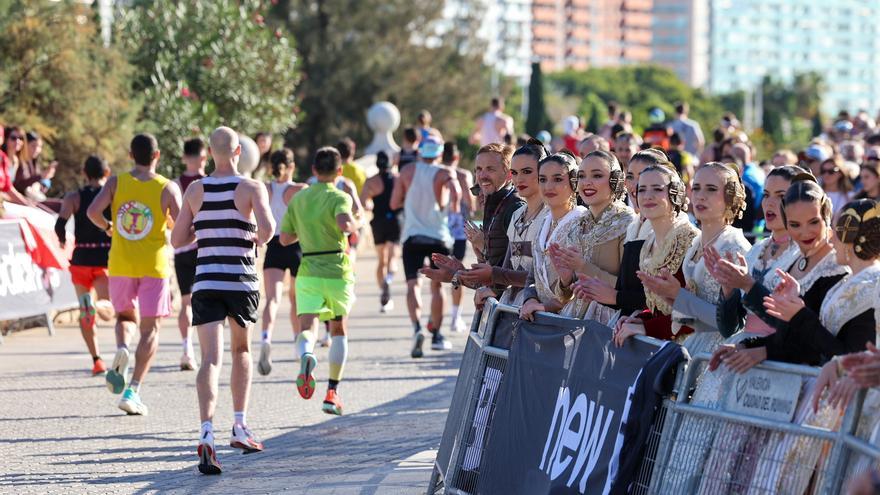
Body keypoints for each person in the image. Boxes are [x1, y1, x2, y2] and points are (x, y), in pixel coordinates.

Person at [171, 126, 275, 475]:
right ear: (237, 153)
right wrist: (250, 236)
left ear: (210, 153)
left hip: (206, 281)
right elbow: (269, 229)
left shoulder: (195, 190)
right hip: (241, 282)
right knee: (241, 352)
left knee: (210, 360)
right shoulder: (250, 187)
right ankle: (241, 426)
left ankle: (206, 432)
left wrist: (204, 227)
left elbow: (177, 238)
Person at [711, 194, 872, 372]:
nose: (832, 239)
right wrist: (751, 346)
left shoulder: (871, 288)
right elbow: (808, 340)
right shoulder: (849, 283)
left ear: (851, 239)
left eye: (836, 231)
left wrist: (799, 315)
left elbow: (846, 355)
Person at [87, 133, 182, 416]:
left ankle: (121, 348)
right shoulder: (167, 187)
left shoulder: (116, 182)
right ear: (157, 155)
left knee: (125, 317)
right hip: (153, 265)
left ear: (131, 155)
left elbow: (93, 211)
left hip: (121, 262)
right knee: (150, 329)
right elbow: (180, 227)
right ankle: (133, 390)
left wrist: (108, 227)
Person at [637, 163, 750, 355]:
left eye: (711, 189)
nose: (700, 195)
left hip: (719, 352)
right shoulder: (696, 244)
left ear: (730, 198)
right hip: (692, 347)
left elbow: (730, 323)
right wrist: (666, 301)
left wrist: (679, 296)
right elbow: (693, 314)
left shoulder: (733, 247)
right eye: (696, 188)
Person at [280, 146, 358, 415]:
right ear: (339, 171)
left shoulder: (299, 200)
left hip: (309, 267)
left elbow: (285, 239)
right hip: (336, 268)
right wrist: (353, 225)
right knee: (338, 328)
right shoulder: (340, 196)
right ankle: (332, 392)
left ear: (313, 170)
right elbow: (345, 223)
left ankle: (306, 355)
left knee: (307, 324)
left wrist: (306, 229)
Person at [711, 167, 818, 340]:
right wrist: (728, 290)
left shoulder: (807, 253)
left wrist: (748, 285)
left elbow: (799, 325)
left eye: (781, 196)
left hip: (780, 355)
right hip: (743, 349)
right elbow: (729, 329)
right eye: (767, 194)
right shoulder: (756, 250)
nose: (769, 203)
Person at [602, 163, 699, 345]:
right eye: (642, 190)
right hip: (661, 345)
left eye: (657, 189)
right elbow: (658, 308)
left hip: (690, 348)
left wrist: (648, 328)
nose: (648, 196)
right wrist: (641, 319)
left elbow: (695, 313)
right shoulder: (648, 244)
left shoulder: (690, 241)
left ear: (674, 194)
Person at [390, 135, 460, 358]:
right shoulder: (444, 172)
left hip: (412, 236)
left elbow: (393, 203)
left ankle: (417, 328)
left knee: (413, 285)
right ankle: (437, 334)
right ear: (439, 153)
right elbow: (455, 190)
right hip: (438, 237)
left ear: (420, 152)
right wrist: (453, 203)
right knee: (438, 287)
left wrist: (409, 201)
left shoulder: (407, 171)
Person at [548, 150, 636, 320]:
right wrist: (566, 279)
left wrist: (582, 266)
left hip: (610, 322)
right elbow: (568, 295)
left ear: (615, 181)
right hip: (575, 319)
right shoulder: (578, 224)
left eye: (596, 176)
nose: (587, 183)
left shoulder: (627, 223)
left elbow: (629, 291)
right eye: (581, 176)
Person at [54, 155, 114, 375]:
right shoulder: (109, 194)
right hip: (103, 257)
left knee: (84, 311)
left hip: (80, 258)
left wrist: (62, 241)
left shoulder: (73, 197)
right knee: (108, 306)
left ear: (84, 173)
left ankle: (97, 359)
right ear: (106, 173)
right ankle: (96, 305)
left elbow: (60, 225)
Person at [471, 141, 548, 309]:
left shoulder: (549, 217)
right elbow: (509, 266)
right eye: (515, 172)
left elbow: (544, 277)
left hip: (536, 307)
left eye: (527, 172)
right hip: (511, 305)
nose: (519, 178)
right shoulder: (518, 215)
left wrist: (493, 276)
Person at [518, 151, 586, 321]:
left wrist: (545, 307)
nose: (548, 186)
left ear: (573, 182)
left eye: (557, 179)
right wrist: (531, 299)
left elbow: (580, 284)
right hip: (539, 316)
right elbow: (533, 274)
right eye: (543, 179)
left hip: (571, 321)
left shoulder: (582, 222)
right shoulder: (543, 221)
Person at [258, 148, 307, 376]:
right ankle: (298, 343)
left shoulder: (264, 190)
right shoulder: (299, 190)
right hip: (296, 244)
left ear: (271, 167)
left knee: (272, 299)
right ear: (292, 167)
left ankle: (266, 338)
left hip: (274, 246)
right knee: (296, 299)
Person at [172, 138, 207, 371]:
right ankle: (207, 353)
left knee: (186, 301)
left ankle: (187, 349)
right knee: (205, 301)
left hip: (181, 247)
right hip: (205, 248)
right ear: (205, 157)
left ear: (184, 157)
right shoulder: (211, 182)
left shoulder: (174, 184)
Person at [360, 151, 401, 312]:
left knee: (381, 260)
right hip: (396, 221)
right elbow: (404, 199)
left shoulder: (371, 181)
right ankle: (389, 279)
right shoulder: (398, 179)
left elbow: (364, 203)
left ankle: (383, 289)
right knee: (393, 258)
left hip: (378, 222)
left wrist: (372, 203)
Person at [441, 142, 475, 332]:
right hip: (458, 232)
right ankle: (455, 317)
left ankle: (436, 319)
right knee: (456, 271)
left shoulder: (436, 174)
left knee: (437, 274)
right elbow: (471, 205)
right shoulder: (463, 175)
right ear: (457, 157)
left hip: (438, 230)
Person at [14, 131, 56, 202]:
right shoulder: (18, 161)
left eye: (39, 146)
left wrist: (44, 183)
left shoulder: (34, 163)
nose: (37, 150)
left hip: (30, 200)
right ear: (25, 145)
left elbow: (38, 187)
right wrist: (40, 177)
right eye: (33, 146)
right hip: (18, 200)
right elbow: (19, 186)